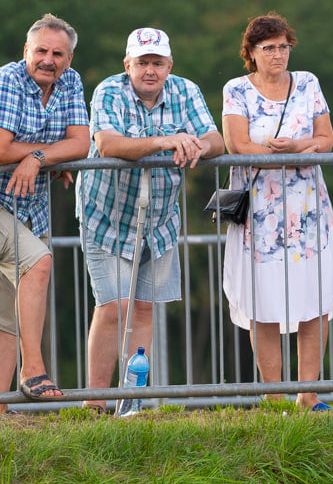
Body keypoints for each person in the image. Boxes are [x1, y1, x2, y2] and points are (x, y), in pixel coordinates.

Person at [78, 28, 224, 412]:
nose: (149, 70)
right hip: (105, 216)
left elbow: (216, 140)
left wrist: (197, 145)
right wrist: (166, 140)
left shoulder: (185, 90)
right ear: (127, 65)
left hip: (159, 219)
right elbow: (108, 143)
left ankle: (132, 402)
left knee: (143, 308)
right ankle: (94, 404)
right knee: (112, 307)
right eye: (142, 62)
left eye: (157, 63)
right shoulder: (108, 91)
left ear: (169, 66)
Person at [0, 14, 89, 413]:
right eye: (41, 51)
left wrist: (37, 157)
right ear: (26, 52)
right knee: (39, 263)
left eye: (58, 54)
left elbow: (81, 144)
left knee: (6, 315)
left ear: (68, 59)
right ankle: (33, 370)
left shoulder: (71, 82)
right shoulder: (3, 80)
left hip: (29, 207)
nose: (48, 60)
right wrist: (44, 155)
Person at [222, 13, 333, 411]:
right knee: (263, 302)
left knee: (316, 299)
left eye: (283, 46)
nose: (278, 54)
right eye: (269, 48)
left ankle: (308, 395)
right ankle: (273, 395)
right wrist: (294, 153)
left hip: (308, 206)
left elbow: (327, 139)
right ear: (251, 53)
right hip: (260, 211)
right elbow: (237, 144)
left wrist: (299, 146)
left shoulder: (307, 83)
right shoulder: (236, 89)